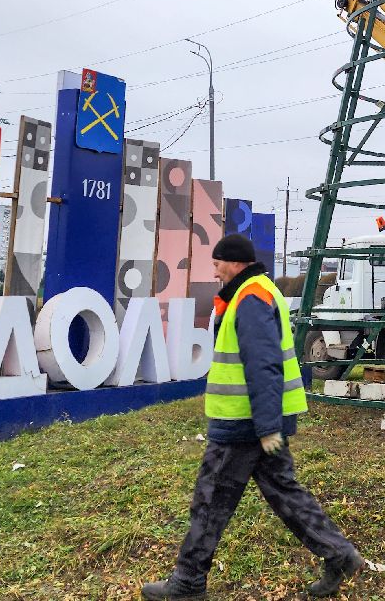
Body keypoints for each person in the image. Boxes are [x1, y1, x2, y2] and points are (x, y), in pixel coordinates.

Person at [141, 234, 363, 600]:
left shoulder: (250, 297)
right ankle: (339, 555)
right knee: (285, 493)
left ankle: (188, 581)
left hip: (245, 423)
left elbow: (263, 364)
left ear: (235, 263)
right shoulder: (254, 291)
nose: (214, 272)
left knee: (211, 498)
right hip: (256, 422)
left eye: (217, 265)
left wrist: (266, 427)